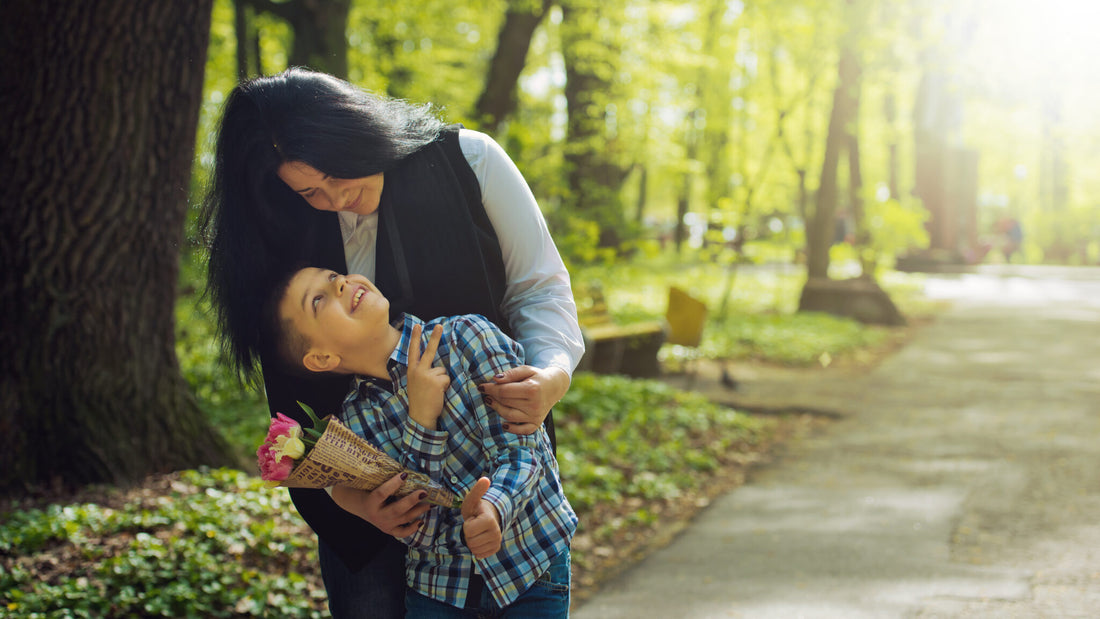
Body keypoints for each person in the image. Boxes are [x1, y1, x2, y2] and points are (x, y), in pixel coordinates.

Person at [199, 67, 584, 618]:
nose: (335, 197)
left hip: (499, 479)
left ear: (357, 130)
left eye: (337, 171)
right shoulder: (278, 220)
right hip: (375, 504)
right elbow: (291, 390)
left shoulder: (468, 160)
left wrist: (551, 375)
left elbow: (539, 288)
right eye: (309, 190)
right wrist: (349, 498)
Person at [267, 266, 577, 615]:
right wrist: (421, 421)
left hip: (533, 563)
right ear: (322, 357)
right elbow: (418, 530)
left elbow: (525, 450)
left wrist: (494, 507)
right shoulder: (355, 427)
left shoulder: (467, 337)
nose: (339, 283)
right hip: (441, 590)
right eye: (318, 300)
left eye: (332, 276)